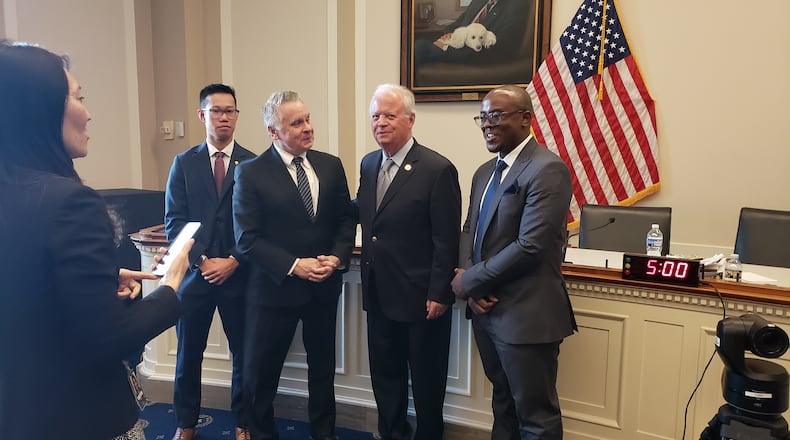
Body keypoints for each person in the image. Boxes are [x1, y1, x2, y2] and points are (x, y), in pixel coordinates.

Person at [0, 40, 191, 440]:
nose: (89, 114)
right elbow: (110, 338)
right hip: (74, 414)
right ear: (41, 107)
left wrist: (96, 279)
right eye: (78, 97)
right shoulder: (70, 202)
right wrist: (172, 285)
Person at [451, 85, 577, 440]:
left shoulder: (547, 169)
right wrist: (468, 277)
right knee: (502, 402)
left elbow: (531, 245)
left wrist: (471, 281)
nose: (488, 124)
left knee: (536, 416)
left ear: (525, 118)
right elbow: (469, 231)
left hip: (526, 316)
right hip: (486, 311)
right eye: (484, 116)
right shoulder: (482, 172)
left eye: (497, 115)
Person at [233, 91, 355, 440]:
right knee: (261, 376)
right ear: (274, 132)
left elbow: (345, 220)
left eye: (308, 119)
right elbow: (246, 239)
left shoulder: (330, 165)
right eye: (296, 123)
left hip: (323, 288)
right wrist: (293, 265)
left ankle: (324, 433)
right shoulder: (252, 173)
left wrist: (337, 256)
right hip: (273, 291)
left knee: (322, 372)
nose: (307, 128)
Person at [355, 84, 461, 440]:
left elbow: (446, 239)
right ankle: (392, 434)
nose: (380, 123)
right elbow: (368, 220)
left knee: (427, 382)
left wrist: (439, 293)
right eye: (375, 116)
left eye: (389, 115)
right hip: (379, 293)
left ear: (411, 120)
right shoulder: (369, 164)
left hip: (421, 298)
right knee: (385, 377)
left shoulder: (437, 169)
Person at [165, 83, 256, 440]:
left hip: (239, 275)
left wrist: (233, 260)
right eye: (216, 111)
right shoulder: (184, 163)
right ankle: (186, 424)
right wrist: (202, 260)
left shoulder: (252, 163)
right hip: (196, 278)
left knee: (244, 355)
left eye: (230, 111)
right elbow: (175, 221)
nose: (224, 117)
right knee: (188, 354)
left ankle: (243, 424)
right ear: (202, 115)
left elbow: (256, 224)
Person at [413, 0, 531, 65]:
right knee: (419, 47)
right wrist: (447, 34)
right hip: (455, 44)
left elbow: (504, 43)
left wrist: (448, 47)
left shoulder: (517, 5)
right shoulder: (478, 2)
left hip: (478, 53)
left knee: (421, 47)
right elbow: (459, 22)